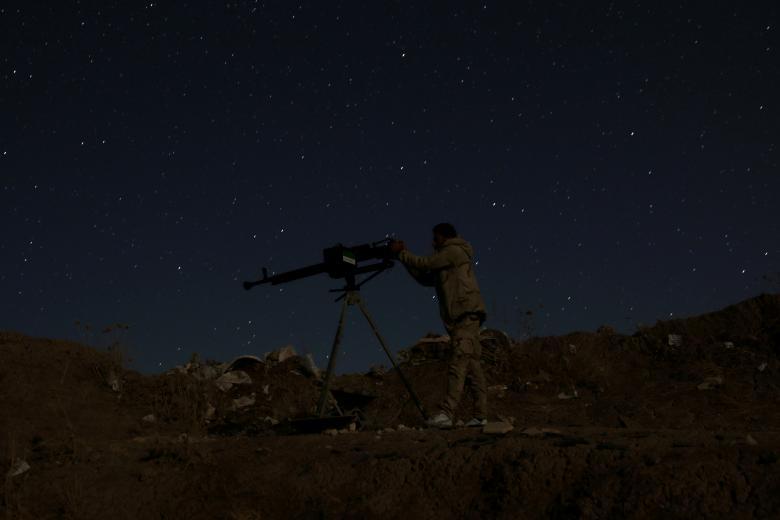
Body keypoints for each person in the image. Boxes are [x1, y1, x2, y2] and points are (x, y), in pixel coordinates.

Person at [390, 223, 488, 428]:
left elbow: (425, 263)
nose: (433, 242)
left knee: (458, 363)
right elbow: (425, 277)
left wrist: (403, 253)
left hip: (465, 315)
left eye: (435, 238)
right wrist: (403, 259)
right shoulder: (446, 259)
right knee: (472, 366)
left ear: (444, 237)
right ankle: (480, 415)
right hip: (464, 316)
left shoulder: (452, 251)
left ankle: (446, 413)